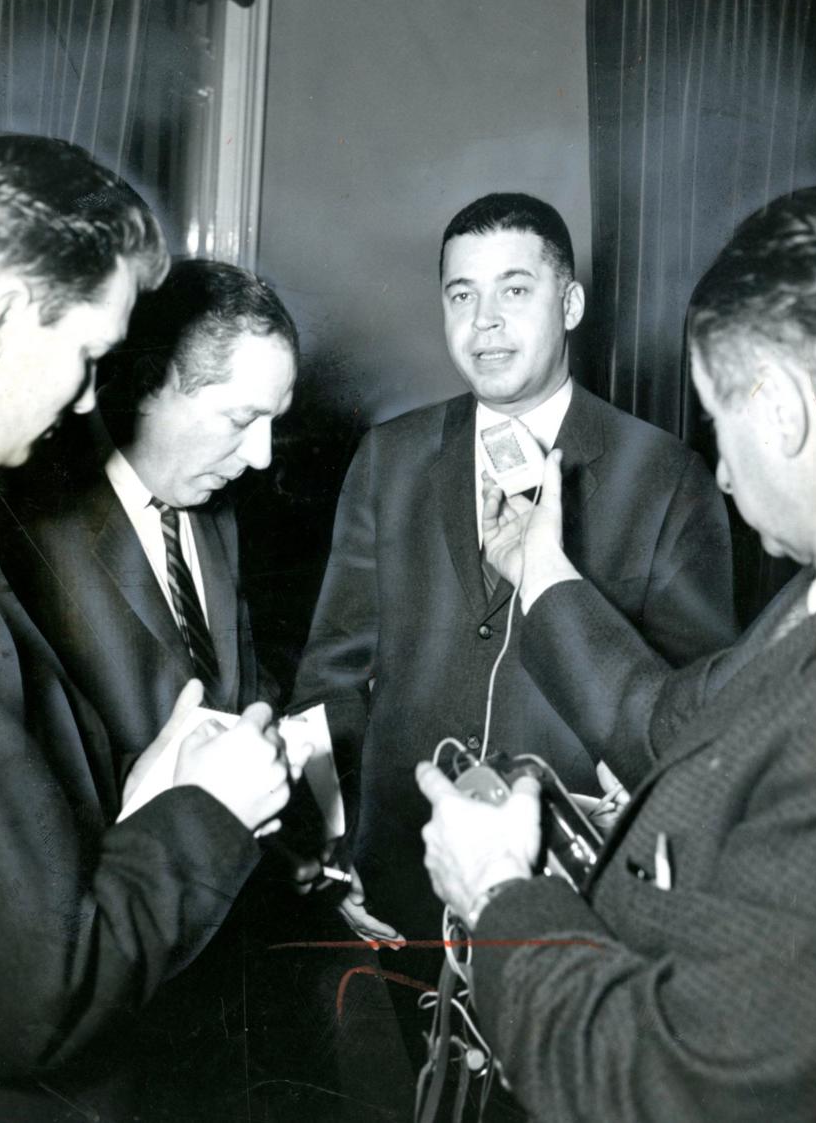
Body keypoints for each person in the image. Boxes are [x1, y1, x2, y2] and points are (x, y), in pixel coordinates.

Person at [417, 185, 816, 1122]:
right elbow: (668, 720)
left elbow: (686, 1085)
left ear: (778, 408)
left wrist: (498, 896)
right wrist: (543, 571)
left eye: (717, 415)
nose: (725, 465)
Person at [0, 135, 296, 1122]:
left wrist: (141, 804)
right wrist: (208, 813)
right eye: (84, 356)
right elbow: (38, 996)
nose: (88, 399)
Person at [291, 192, 737, 1046]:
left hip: (567, 903)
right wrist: (331, 842)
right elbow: (334, 671)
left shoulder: (666, 475)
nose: (485, 322)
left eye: (514, 290)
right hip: (400, 887)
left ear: (568, 304)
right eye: (461, 294)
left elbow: (690, 719)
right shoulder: (390, 456)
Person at [0, 257, 297, 764]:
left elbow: (239, 687)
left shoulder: (213, 501)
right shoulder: (30, 530)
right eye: (242, 418)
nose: (261, 456)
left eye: (273, 422)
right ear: (150, 384)